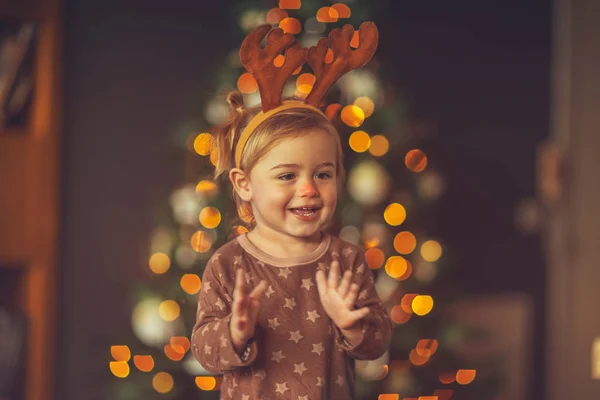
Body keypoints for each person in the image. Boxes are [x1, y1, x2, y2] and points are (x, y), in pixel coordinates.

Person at [191, 22, 392, 400]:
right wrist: (233, 332)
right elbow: (203, 349)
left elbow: (376, 342)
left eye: (323, 174)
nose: (308, 189)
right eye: (287, 175)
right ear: (244, 184)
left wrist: (353, 326)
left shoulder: (345, 260)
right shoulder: (228, 264)